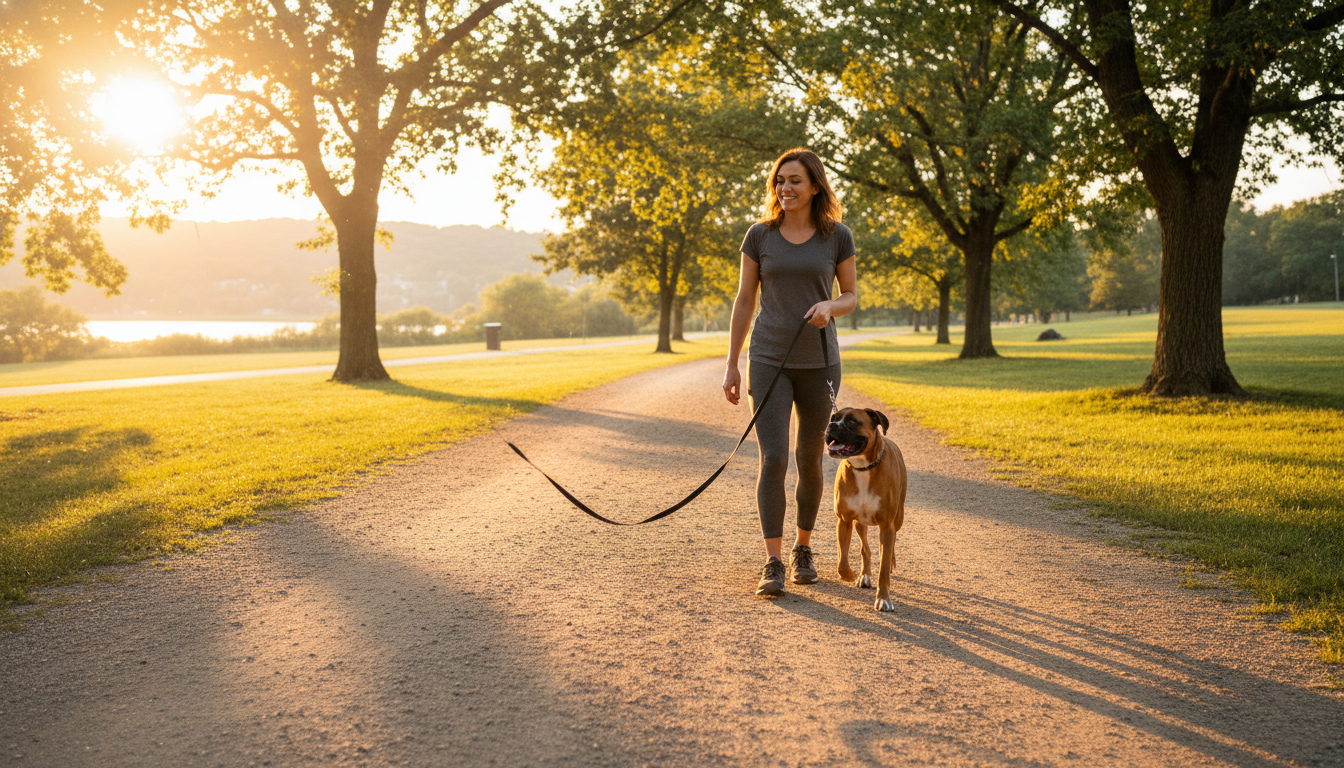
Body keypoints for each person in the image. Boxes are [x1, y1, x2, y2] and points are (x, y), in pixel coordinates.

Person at [722, 147, 858, 597]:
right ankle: (773, 561)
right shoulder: (760, 236)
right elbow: (745, 300)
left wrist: (830, 306)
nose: (785, 188)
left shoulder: (836, 236)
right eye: (779, 181)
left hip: (820, 362)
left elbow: (851, 296)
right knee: (774, 458)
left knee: (809, 459)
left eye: (795, 180)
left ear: (815, 185)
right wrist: (732, 364)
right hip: (767, 360)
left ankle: (803, 548)